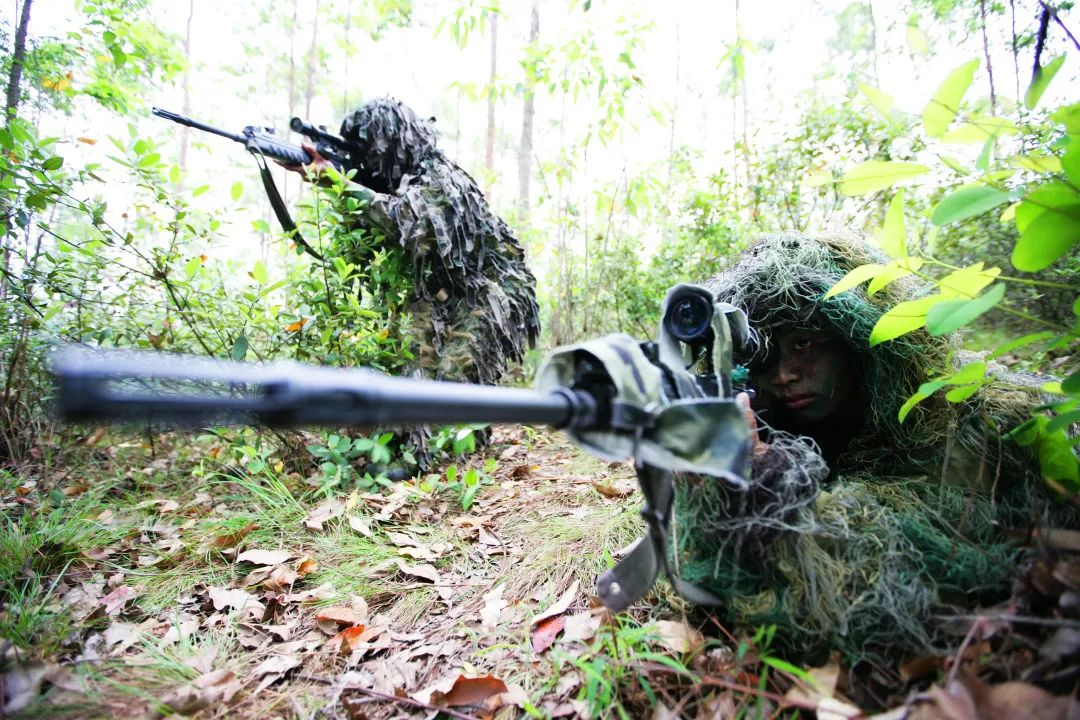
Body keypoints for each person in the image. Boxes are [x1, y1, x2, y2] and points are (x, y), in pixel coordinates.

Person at [671, 232, 1073, 672]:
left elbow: (894, 577)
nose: (783, 375)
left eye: (804, 343)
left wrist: (766, 478)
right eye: (765, 356)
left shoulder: (954, 420)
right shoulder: (769, 416)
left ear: (854, 342)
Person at [282, 97, 540, 388]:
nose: (368, 160)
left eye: (370, 151)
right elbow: (363, 247)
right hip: (442, 291)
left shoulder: (441, 177)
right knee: (405, 367)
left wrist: (340, 184)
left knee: (458, 375)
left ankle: (466, 430)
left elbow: (408, 225)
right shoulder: (391, 186)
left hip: (493, 290)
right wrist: (327, 181)